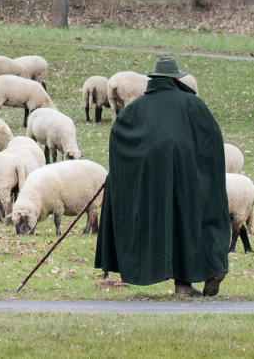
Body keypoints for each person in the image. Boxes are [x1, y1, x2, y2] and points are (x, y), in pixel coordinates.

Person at [94, 56, 230, 296]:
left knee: (162, 223)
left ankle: (183, 286)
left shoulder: (134, 109)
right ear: (176, 79)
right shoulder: (193, 105)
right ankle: (196, 277)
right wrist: (206, 173)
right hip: (188, 178)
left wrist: (122, 170)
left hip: (150, 183)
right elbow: (212, 140)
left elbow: (119, 137)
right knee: (187, 222)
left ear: (154, 80)